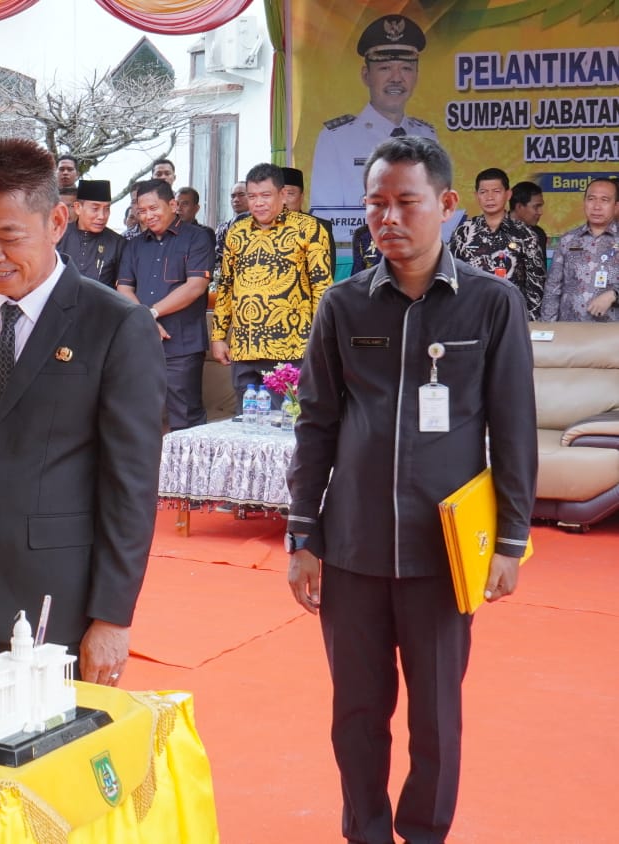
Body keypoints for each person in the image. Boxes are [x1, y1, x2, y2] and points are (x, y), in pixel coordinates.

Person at [286, 135, 536, 844]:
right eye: (375, 203)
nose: (387, 217)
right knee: (357, 714)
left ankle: (423, 832)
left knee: (435, 716)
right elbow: (316, 425)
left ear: (447, 205)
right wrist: (304, 537)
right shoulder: (343, 306)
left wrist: (511, 540)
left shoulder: (492, 304)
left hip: (443, 551)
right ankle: (364, 830)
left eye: (405, 202)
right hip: (354, 547)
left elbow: (513, 427)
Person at [0, 138, 165, 687]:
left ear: (57, 222)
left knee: (38, 763)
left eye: (8, 237)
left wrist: (113, 617)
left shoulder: (114, 325)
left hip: (50, 604)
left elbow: (129, 485)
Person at [213, 163, 333, 411]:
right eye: (253, 196)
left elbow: (322, 289)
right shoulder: (237, 231)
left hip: (291, 349)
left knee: (288, 426)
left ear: (282, 194)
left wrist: (321, 340)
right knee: (247, 427)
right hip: (244, 347)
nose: (258, 203)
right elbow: (225, 286)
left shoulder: (308, 228)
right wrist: (218, 336)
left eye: (266, 195)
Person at [310, 14, 437, 244]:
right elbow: (326, 218)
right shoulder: (336, 138)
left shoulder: (427, 136)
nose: (396, 78)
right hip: (359, 258)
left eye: (406, 68)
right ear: (366, 75)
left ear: (416, 76)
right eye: (385, 68)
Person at [117, 179, 213, 430]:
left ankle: (190, 470)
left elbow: (195, 286)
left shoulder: (198, 238)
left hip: (182, 345)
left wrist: (150, 314)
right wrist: (145, 320)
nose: (148, 216)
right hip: (142, 344)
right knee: (138, 418)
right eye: (142, 211)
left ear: (172, 205)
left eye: (154, 208)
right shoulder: (133, 245)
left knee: (185, 418)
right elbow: (124, 288)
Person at [450, 167, 546, 320]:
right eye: (483, 192)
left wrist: (530, 323)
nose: (489, 197)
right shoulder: (463, 232)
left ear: (508, 194)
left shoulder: (526, 235)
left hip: (512, 317)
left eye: (496, 191)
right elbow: (452, 277)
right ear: (476, 196)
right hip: (471, 316)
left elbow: (536, 285)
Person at [539, 177, 619, 323]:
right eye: (591, 199)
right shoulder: (568, 240)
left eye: (605, 200)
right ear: (584, 203)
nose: (596, 206)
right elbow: (553, 289)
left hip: (613, 333)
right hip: (571, 331)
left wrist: (614, 294)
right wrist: (548, 328)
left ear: (616, 206)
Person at [56, 179, 124, 287]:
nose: (102, 216)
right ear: (78, 208)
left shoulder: (117, 244)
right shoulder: (58, 235)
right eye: (95, 208)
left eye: (107, 209)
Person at [282, 166, 338, 268]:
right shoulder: (264, 226)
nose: (284, 200)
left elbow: (326, 271)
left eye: (290, 193)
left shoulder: (319, 227)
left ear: (302, 197)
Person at [215, 180, 249, 273]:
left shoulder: (262, 224)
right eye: (233, 196)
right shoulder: (222, 228)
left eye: (241, 195)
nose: (236, 200)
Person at [510, 181, 548, 256]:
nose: (540, 212)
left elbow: (541, 267)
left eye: (541, 206)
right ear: (519, 207)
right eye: (536, 207)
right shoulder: (497, 231)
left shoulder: (539, 233)